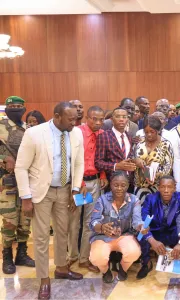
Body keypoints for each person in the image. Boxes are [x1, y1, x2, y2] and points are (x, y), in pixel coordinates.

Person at [15, 102, 85, 300]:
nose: (74, 122)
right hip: (40, 192)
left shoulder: (76, 133)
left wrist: (75, 189)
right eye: (70, 119)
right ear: (57, 116)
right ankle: (44, 279)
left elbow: (79, 163)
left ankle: (62, 268)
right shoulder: (35, 133)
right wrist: (26, 197)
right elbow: (21, 167)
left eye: (76, 119)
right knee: (41, 236)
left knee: (64, 231)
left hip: (65, 190)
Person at [68, 106, 108, 273]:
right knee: (73, 222)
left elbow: (103, 158)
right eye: (94, 119)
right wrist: (80, 184)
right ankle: (71, 257)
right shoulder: (76, 133)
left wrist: (103, 175)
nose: (98, 123)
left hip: (95, 183)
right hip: (78, 185)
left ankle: (84, 259)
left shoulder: (103, 135)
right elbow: (71, 160)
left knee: (90, 222)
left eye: (101, 119)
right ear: (87, 118)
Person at [89, 171, 144, 283]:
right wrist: (102, 227)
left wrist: (141, 226)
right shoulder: (102, 200)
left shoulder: (134, 200)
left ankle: (123, 269)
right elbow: (93, 222)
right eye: (116, 185)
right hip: (102, 237)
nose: (119, 188)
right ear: (110, 184)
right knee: (97, 257)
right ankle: (105, 271)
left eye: (123, 185)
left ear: (128, 185)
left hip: (124, 235)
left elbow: (137, 220)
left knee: (134, 252)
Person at [0, 96, 34, 274]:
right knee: (9, 221)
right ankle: (7, 256)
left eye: (19, 106)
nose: (15, 108)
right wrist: (3, 159)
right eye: (12, 106)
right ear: (6, 108)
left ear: (24, 108)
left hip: (27, 182)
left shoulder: (28, 129)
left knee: (25, 219)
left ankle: (22, 253)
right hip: (7, 183)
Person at [137, 175, 180, 279]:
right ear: (158, 188)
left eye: (169, 187)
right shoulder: (150, 198)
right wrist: (152, 241)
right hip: (156, 232)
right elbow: (143, 221)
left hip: (173, 232)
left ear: (174, 188)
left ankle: (178, 257)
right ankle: (146, 263)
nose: (166, 190)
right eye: (163, 187)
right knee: (141, 234)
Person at [133, 116, 174, 203]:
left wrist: (155, 175)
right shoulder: (139, 143)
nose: (149, 134)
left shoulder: (166, 145)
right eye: (146, 132)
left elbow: (168, 167)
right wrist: (136, 160)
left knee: (155, 212)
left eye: (152, 131)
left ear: (158, 131)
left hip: (157, 187)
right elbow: (132, 158)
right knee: (140, 212)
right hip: (140, 186)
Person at [95, 107, 135, 182]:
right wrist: (116, 166)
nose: (121, 119)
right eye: (118, 116)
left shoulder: (129, 137)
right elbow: (98, 163)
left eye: (124, 117)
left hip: (129, 182)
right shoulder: (104, 136)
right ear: (112, 120)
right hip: (112, 182)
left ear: (127, 120)